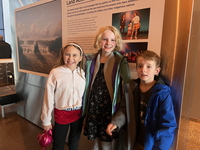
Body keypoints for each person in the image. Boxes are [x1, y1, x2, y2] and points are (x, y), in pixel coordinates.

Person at [106, 50, 177, 150]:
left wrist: (160, 147)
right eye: (140, 66)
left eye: (148, 66)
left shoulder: (162, 94)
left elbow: (168, 125)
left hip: (150, 143)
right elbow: (124, 109)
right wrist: (116, 122)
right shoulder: (130, 88)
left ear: (157, 70)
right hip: (133, 140)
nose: (143, 70)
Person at [82, 26, 131, 150]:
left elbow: (127, 85)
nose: (108, 43)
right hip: (94, 106)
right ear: (99, 41)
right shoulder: (90, 60)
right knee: (95, 142)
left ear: (117, 42)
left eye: (112, 40)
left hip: (108, 108)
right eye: (105, 39)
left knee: (106, 143)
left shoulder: (120, 61)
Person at [41, 43, 86, 150]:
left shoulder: (82, 73)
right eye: (67, 54)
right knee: (58, 144)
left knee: (74, 144)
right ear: (62, 55)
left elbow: (84, 95)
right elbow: (48, 98)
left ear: (80, 58)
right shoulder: (56, 72)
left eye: (75, 55)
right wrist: (46, 121)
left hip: (78, 114)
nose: (71, 58)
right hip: (62, 114)